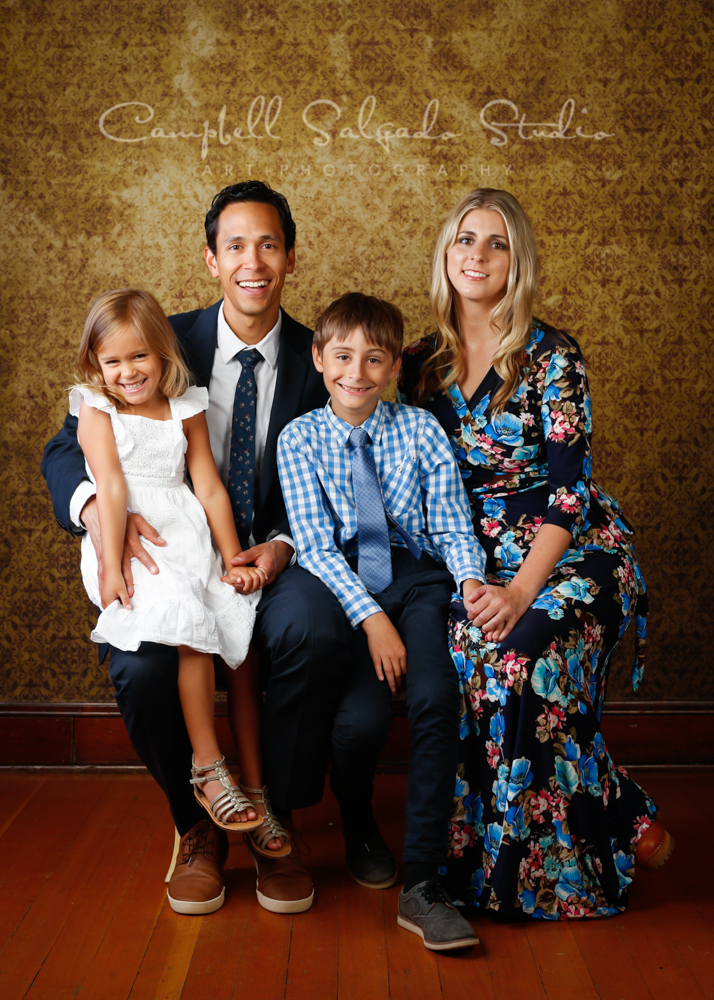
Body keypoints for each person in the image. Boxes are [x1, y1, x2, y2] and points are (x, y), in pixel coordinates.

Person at [41, 181, 386, 916]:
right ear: (211, 259)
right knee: (140, 669)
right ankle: (194, 825)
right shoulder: (160, 340)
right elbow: (67, 447)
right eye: (235, 246)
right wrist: (101, 508)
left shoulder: (319, 355)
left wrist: (285, 547)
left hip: (276, 549)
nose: (252, 262)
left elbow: (346, 470)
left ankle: (275, 820)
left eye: (268, 244)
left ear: (290, 256)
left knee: (309, 629)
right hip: (166, 546)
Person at [398, 188, 674, 920]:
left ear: (516, 260)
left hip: (567, 547)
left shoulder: (553, 358)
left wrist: (521, 590)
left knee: (523, 652)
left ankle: (568, 859)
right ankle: (610, 811)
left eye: (496, 243)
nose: (476, 255)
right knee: (467, 646)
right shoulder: (418, 365)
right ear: (444, 254)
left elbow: (569, 492)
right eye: (463, 239)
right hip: (468, 551)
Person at [70, 288, 290, 916]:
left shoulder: (186, 406)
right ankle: (206, 764)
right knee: (179, 623)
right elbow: (110, 486)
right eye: (112, 363)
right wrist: (112, 564)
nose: (127, 373)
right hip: (134, 538)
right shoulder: (94, 409)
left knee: (214, 619)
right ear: (95, 366)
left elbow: (210, 486)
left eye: (139, 357)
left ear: (164, 355)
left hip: (187, 529)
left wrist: (233, 556)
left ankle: (229, 774)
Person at [277, 292, 486, 951]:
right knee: (361, 721)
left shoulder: (420, 431)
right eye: (342, 356)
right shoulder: (300, 438)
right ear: (318, 358)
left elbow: (451, 524)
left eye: (373, 359)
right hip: (347, 586)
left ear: (395, 366)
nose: (357, 373)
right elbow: (310, 543)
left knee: (434, 698)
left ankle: (423, 884)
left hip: (417, 581)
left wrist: (472, 579)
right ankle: (357, 811)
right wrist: (371, 620)